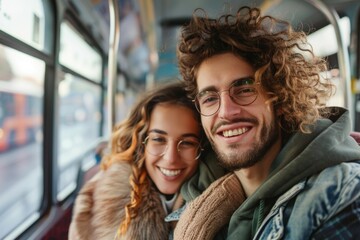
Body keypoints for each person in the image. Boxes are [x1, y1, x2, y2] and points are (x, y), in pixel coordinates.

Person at [174, 6, 360, 240]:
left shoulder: (342, 193)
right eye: (210, 98)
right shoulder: (190, 196)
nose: (226, 112)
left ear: (279, 99)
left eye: (244, 90)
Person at [68, 81, 209, 239]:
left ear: (203, 146)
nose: (171, 158)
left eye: (187, 143)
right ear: (141, 142)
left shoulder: (219, 197)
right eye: (158, 139)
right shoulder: (97, 203)